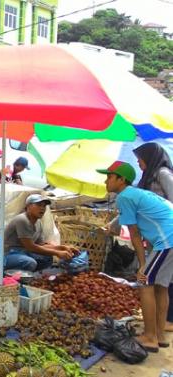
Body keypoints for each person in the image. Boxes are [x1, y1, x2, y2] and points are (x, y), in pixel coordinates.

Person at [98, 161, 173, 352]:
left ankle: (149, 337)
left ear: (121, 180)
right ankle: (159, 335)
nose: (106, 181)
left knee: (144, 282)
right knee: (160, 287)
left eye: (109, 176)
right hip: (168, 239)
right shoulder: (137, 193)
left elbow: (134, 234)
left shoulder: (125, 196)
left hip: (167, 240)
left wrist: (141, 265)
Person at [133, 142, 173, 333]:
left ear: (150, 158)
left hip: (166, 237)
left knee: (148, 281)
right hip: (158, 237)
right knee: (160, 283)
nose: (138, 163)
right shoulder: (148, 177)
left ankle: (155, 331)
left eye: (140, 159)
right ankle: (159, 329)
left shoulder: (163, 174)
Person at [3, 194, 78, 272]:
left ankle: (31, 275)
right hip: (7, 254)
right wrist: (57, 252)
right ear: (28, 206)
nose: (42, 208)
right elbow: (31, 247)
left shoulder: (38, 222)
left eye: (44, 206)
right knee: (30, 263)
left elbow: (41, 245)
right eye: (39, 205)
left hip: (23, 253)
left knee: (47, 258)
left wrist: (62, 247)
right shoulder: (22, 220)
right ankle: (13, 277)